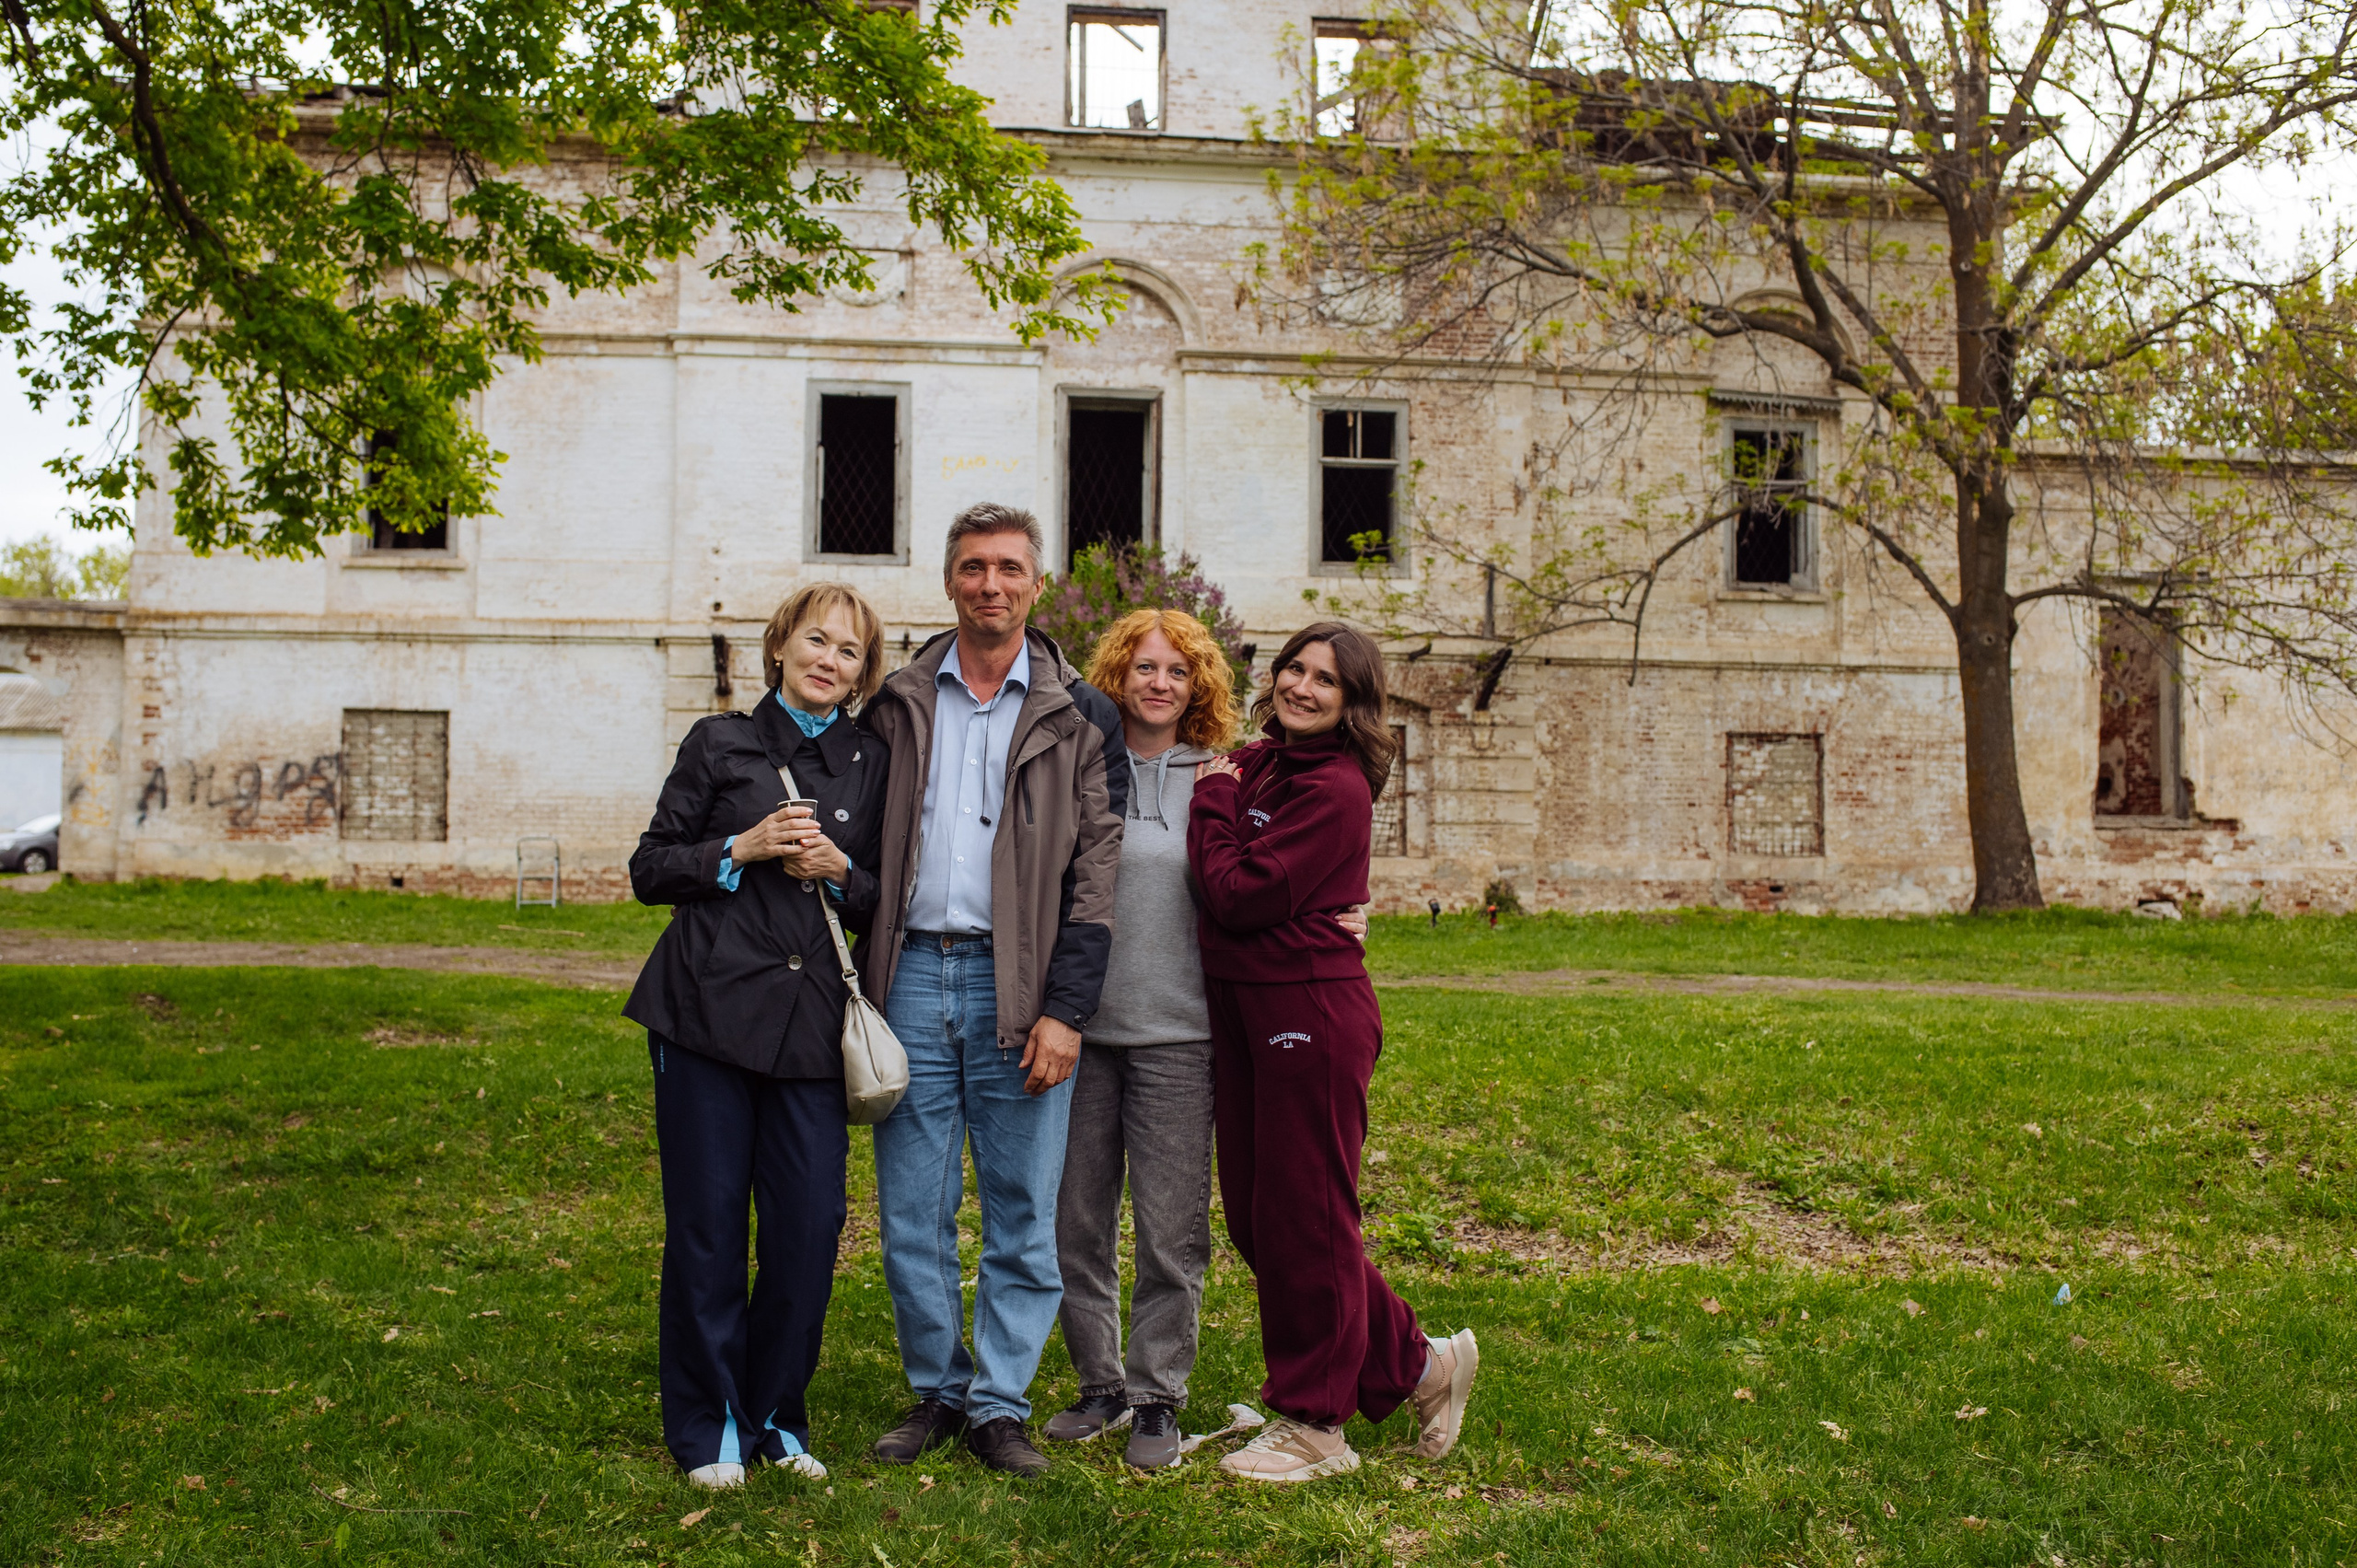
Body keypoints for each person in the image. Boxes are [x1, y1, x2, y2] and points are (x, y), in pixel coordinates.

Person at [1041, 609, 1368, 1469]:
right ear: (1115, 677)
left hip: (1185, 1031)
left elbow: (1296, 852)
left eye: (1176, 671)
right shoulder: (1083, 766)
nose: (1158, 683)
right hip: (1080, 1026)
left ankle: (1157, 1396)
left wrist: (1342, 916)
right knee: (1076, 1217)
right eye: (1142, 667)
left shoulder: (1231, 773)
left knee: (1170, 1228)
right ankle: (1099, 1384)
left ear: (1201, 686)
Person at [856, 503, 1128, 1478]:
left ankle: (998, 1403)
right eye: (973, 567)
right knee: (910, 1209)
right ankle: (937, 1389)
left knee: (1020, 1208)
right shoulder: (894, 701)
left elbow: (1098, 875)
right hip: (912, 973)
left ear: (1035, 583)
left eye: (1009, 567)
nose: (991, 585)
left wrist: (1066, 1007)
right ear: (948, 580)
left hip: (1024, 989)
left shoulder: (1080, 711)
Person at [1189, 621, 1480, 1482]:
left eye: (1327, 681)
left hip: (1305, 1013)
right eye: (1294, 669)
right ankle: (1420, 1365)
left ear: (1354, 703)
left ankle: (1316, 1424)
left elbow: (1239, 893)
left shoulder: (1335, 784)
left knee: (1308, 1217)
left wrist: (1212, 799)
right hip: (1244, 1011)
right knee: (1259, 1216)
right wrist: (1232, 799)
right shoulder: (1265, 762)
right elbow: (1246, 883)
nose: (1302, 687)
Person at [623, 583, 892, 1489]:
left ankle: (777, 1414)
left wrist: (843, 869)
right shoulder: (719, 742)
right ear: (779, 646)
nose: (829, 659)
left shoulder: (872, 758)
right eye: (815, 640)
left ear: (862, 673)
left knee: (808, 1228)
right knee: (705, 1228)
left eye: (849, 651)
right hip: (704, 1016)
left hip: (812, 1030)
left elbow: (883, 895)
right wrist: (739, 846)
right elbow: (650, 868)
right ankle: (709, 1429)